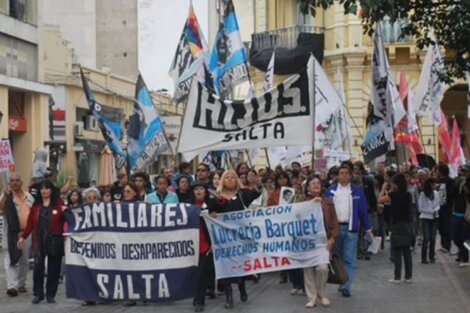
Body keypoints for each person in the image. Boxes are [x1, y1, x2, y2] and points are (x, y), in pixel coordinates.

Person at [210, 170, 260, 309]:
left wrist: (257, 183)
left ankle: (242, 287)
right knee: (226, 266)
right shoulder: (216, 195)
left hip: (240, 237)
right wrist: (212, 214)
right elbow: (209, 211)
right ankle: (229, 295)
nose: (230, 180)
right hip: (223, 238)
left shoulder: (242, 194)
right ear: (222, 180)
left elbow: (257, 193)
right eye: (227, 177)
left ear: (237, 180)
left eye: (233, 177)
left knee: (240, 264)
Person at [324, 165, 372, 297]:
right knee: (338, 257)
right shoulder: (330, 191)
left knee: (349, 259)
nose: (344, 175)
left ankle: (346, 285)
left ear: (350, 176)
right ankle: (342, 280)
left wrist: (368, 228)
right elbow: (324, 211)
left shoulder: (357, 191)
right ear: (337, 176)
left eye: (346, 173)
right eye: (341, 173)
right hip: (335, 230)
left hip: (351, 229)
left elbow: (363, 211)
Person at [17, 180, 65, 304]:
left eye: (46, 188)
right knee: (38, 268)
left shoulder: (59, 203)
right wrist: (23, 236)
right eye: (42, 188)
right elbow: (30, 223)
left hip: (55, 240)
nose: (44, 191)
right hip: (39, 240)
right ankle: (38, 294)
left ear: (51, 190)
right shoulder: (36, 205)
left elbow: (66, 219)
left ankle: (50, 295)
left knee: (54, 269)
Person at [303, 175, 339, 308]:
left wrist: (332, 238)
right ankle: (311, 298)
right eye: (313, 183)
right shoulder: (302, 203)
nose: (316, 185)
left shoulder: (328, 202)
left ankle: (321, 293)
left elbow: (334, 222)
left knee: (322, 268)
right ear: (307, 188)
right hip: (307, 242)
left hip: (323, 241)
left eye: (318, 183)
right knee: (308, 270)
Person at [0, 173, 35, 297]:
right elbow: (1, 208)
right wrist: (4, 195)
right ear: (9, 183)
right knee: (10, 259)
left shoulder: (29, 196)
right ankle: (12, 286)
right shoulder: (6, 196)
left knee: (24, 260)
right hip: (10, 234)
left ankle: (20, 284)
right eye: (12, 180)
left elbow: (34, 214)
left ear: (21, 182)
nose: (14, 182)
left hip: (26, 233)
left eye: (17, 180)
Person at [379, 173, 414, 283]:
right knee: (407, 251)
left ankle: (397, 277)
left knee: (397, 250)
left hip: (396, 224)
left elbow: (380, 200)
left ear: (396, 184)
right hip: (407, 224)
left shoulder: (393, 195)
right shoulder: (408, 194)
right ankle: (408, 276)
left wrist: (383, 189)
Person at [192, 182, 216, 312]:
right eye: (196, 189)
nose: (198, 191)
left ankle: (199, 301)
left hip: (205, 245)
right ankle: (196, 297)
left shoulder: (211, 204)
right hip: (191, 245)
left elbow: (223, 205)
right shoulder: (188, 206)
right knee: (194, 274)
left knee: (201, 274)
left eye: (201, 188)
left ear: (205, 191)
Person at [418, 178, 440, 264]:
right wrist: (431, 211)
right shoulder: (422, 194)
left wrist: (435, 210)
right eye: (434, 184)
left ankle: (432, 256)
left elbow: (438, 204)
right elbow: (420, 208)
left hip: (435, 217)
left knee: (433, 238)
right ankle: (423, 257)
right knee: (426, 238)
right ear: (430, 184)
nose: (435, 185)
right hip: (426, 217)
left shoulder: (436, 193)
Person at [436, 164, 454, 253]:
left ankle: (447, 246)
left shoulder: (450, 181)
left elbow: (452, 194)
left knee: (447, 226)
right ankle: (443, 245)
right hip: (438, 207)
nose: (436, 171)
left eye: (438, 170)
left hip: (447, 207)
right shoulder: (437, 181)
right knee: (440, 226)